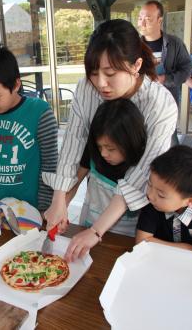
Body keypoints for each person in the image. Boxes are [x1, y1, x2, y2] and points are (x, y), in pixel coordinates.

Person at [43, 19, 178, 262]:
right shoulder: (87, 88)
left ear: (136, 65)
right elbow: (73, 143)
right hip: (98, 196)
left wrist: (96, 231)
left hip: (139, 212)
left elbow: (142, 173)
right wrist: (59, 200)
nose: (101, 83)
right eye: (94, 73)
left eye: (110, 73)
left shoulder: (160, 104)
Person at [0, 45, 58, 212]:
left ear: (16, 84)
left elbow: (50, 165)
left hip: (31, 208)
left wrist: (44, 207)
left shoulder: (40, 112)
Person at [66, 99, 147, 236]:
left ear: (130, 141)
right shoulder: (93, 152)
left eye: (111, 148)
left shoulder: (143, 163)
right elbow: (76, 180)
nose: (103, 154)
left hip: (126, 237)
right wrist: (63, 205)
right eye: (99, 147)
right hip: (89, 226)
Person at [138, 0, 192, 145]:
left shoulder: (174, 43)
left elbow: (187, 68)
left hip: (168, 101)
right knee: (142, 140)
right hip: (141, 102)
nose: (142, 23)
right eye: (140, 18)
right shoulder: (133, 46)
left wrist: (165, 78)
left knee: (170, 139)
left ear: (159, 20)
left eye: (148, 19)